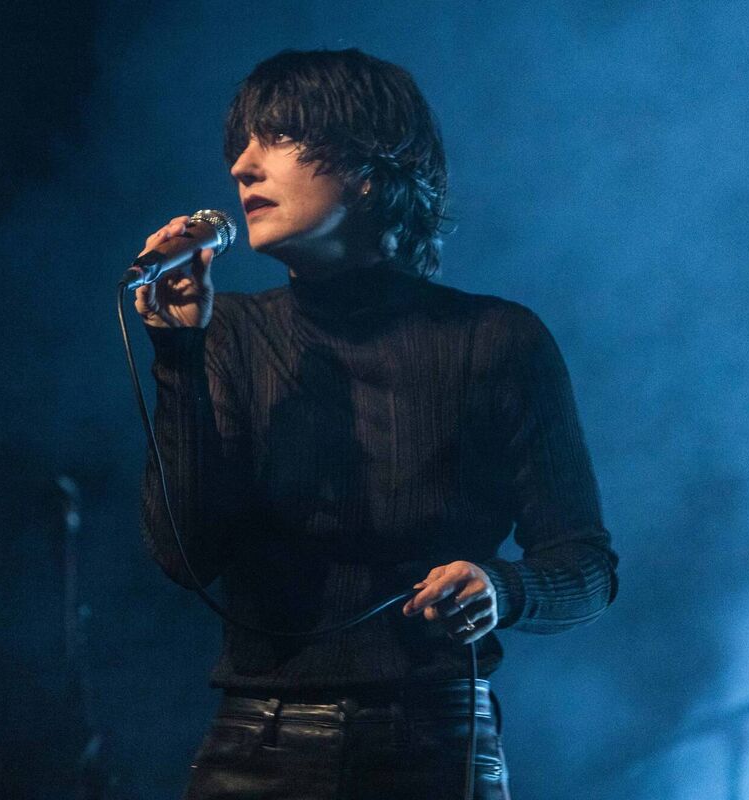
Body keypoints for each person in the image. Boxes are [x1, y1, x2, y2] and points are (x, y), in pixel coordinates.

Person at [132, 48, 618, 800]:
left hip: (437, 745)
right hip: (257, 749)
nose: (243, 166)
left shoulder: (497, 340)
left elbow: (586, 566)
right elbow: (185, 558)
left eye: (279, 137)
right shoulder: (230, 335)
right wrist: (177, 356)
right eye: (242, 145)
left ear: (369, 167)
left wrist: (502, 587)